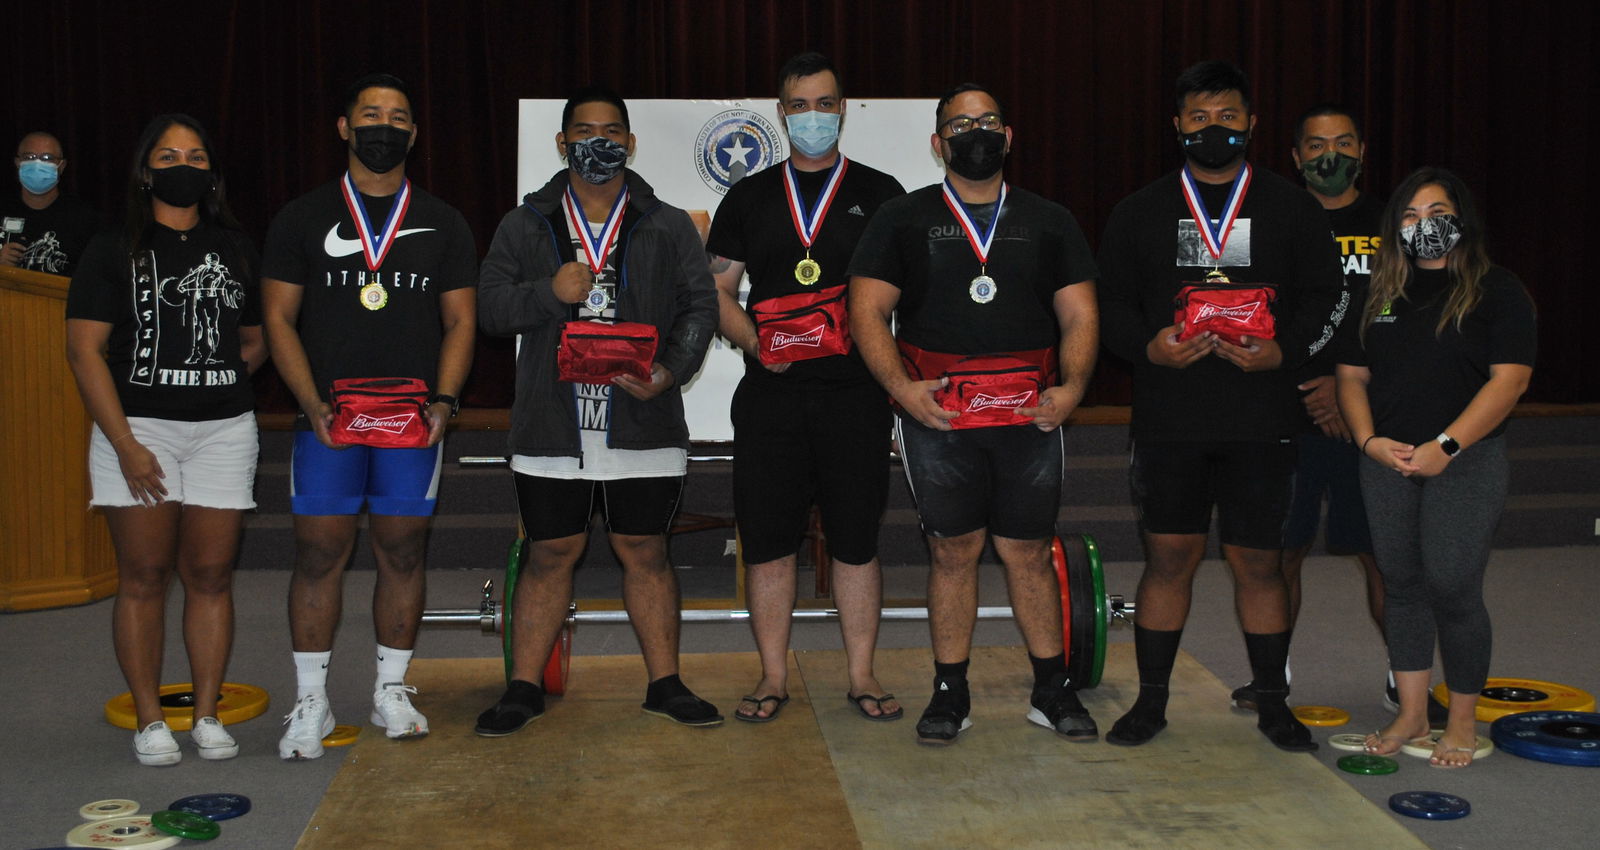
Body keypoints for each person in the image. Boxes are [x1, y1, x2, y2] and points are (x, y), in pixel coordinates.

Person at [1095, 61, 1344, 751]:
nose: (1214, 129)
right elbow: (1106, 304)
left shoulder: (1291, 207)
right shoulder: (1138, 211)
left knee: (1259, 564)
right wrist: (1148, 347)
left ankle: (1273, 705)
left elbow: (1329, 299)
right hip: (1170, 417)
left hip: (1262, 417)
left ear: (1251, 123)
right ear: (1177, 126)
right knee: (1168, 558)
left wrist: (1284, 352)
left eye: (1228, 117)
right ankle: (1150, 704)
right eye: (1199, 118)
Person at [849, 83, 1100, 745]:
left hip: (1029, 415)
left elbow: (1080, 315)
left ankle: (1051, 690)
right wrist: (903, 391)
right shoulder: (901, 218)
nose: (976, 133)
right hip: (939, 416)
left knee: (1028, 552)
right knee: (952, 552)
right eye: (960, 125)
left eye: (988, 121)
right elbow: (866, 311)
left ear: (1008, 137)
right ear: (938, 144)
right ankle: (949, 693)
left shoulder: (1051, 220)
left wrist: (1074, 387)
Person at [473, 87, 721, 734]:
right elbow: (490, 309)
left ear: (631, 143)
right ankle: (524, 687)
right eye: (584, 131)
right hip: (552, 423)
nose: (598, 142)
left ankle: (665, 684)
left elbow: (701, 307)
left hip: (643, 419)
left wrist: (670, 371)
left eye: (612, 131)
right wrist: (547, 292)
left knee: (646, 549)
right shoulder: (525, 223)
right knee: (551, 551)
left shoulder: (667, 222)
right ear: (562, 143)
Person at [262, 73, 478, 760]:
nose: (384, 126)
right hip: (328, 419)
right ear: (344, 126)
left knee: (403, 551)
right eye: (371, 114)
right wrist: (309, 403)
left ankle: (391, 687)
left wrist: (444, 401)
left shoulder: (444, 221)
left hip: (412, 422)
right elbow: (277, 318)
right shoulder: (302, 217)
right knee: (318, 552)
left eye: (398, 117)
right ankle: (312, 699)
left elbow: (461, 321)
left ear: (413, 134)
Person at [705, 53, 906, 722]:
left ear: (842, 109)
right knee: (768, 544)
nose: (812, 117)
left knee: (856, 541)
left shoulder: (882, 193)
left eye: (824, 104)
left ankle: (862, 675)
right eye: (798, 106)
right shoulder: (749, 196)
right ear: (781, 113)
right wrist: (758, 344)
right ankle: (771, 677)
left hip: (856, 396)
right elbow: (717, 290)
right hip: (772, 398)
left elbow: (903, 291)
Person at [65, 114, 264, 765]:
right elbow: (84, 351)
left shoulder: (235, 246)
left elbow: (255, 337)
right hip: (138, 431)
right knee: (145, 575)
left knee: (209, 574)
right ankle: (151, 720)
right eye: (169, 155)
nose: (184, 166)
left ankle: (206, 715)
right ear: (146, 171)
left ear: (212, 173)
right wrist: (125, 443)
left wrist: (217, 382)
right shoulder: (112, 247)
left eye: (197, 156)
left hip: (224, 432)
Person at [1338, 167, 1535, 768]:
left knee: (1452, 584)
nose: (1424, 224)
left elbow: (1510, 381)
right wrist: (1369, 442)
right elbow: (1352, 377)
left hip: (1466, 461)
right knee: (1401, 584)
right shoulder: (1377, 292)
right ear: (1394, 227)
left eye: (1437, 212)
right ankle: (1412, 713)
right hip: (1388, 462)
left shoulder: (1498, 289)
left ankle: (1463, 719)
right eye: (1411, 215)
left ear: (1461, 219)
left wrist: (1445, 447)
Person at [1231, 104, 1388, 711]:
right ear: (1296, 157)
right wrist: (1314, 383)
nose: (1331, 155)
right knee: (1279, 554)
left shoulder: (1393, 222)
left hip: (1371, 417)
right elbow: (1250, 312)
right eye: (1317, 145)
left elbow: (1407, 319)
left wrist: (1351, 388)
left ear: (1362, 152)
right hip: (1286, 411)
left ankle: (1404, 679)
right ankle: (1275, 679)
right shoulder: (1269, 220)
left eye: (1344, 143)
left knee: (1385, 558)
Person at [3, 131, 101, 275]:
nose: (37, 164)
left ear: (61, 166)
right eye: (29, 157)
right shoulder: (4, 207)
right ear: (18, 163)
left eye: (47, 158)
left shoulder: (83, 218)